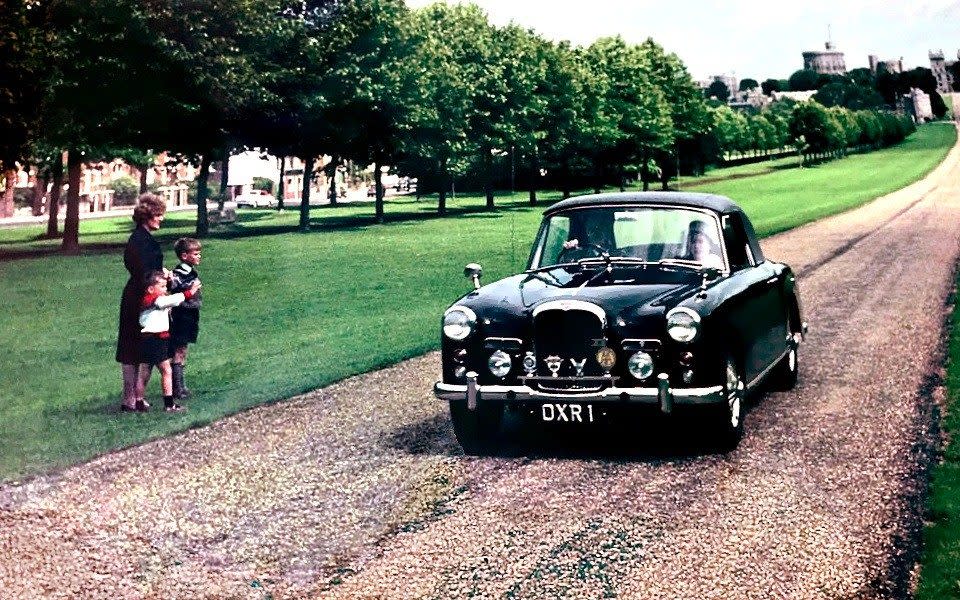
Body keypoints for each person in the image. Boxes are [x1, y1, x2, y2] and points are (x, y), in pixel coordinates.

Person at [116, 193, 167, 412]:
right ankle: (131, 398)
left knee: (133, 347)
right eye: (158, 215)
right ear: (147, 217)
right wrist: (161, 279)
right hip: (140, 296)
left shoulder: (140, 239)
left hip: (138, 293)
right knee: (136, 347)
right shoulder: (141, 241)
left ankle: (132, 398)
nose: (161, 219)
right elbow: (143, 270)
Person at [135, 270, 201, 412]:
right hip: (156, 339)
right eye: (163, 287)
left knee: (144, 371)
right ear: (151, 289)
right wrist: (190, 292)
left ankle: (138, 401)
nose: (166, 290)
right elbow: (172, 300)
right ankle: (169, 404)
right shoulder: (157, 300)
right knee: (166, 370)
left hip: (145, 339)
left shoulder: (146, 301)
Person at [168, 238, 203, 400]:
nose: (199, 256)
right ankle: (177, 388)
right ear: (184, 256)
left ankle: (181, 386)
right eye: (195, 254)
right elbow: (177, 293)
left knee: (183, 350)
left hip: (191, 315)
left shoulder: (190, 272)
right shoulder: (180, 275)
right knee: (179, 350)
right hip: (182, 315)